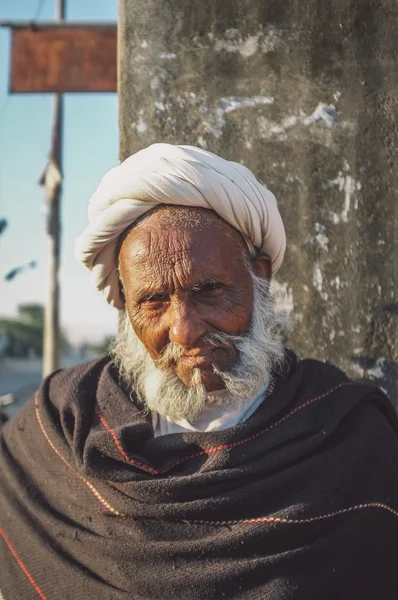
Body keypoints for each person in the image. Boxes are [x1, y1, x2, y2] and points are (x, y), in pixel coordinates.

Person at [0, 144, 397, 600]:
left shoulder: (348, 436)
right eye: (153, 302)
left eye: (209, 290)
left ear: (259, 278)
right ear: (125, 305)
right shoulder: (60, 424)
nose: (184, 331)